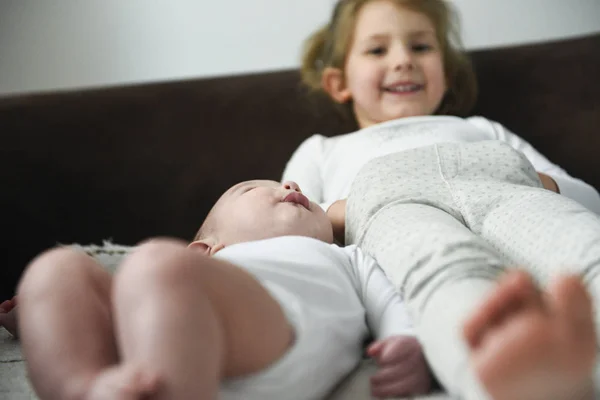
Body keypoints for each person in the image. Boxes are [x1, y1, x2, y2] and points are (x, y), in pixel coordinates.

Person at [282, 0, 600, 398]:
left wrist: (523, 178)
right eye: (377, 50)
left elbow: (587, 198)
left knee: (581, 242)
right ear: (339, 83)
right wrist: (345, 210)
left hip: (500, 184)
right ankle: (506, 380)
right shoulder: (323, 150)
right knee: (445, 275)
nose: (403, 61)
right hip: (392, 205)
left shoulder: (480, 128)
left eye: (421, 47)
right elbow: (283, 225)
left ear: (447, 75)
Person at [2, 180, 433, 400]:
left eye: (300, 190)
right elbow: (134, 304)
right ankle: (85, 385)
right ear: (208, 249)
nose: (292, 188)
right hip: (165, 348)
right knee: (56, 269)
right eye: (253, 188)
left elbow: (388, 298)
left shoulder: (347, 256)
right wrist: (53, 315)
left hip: (274, 333)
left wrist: (405, 339)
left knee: (153, 264)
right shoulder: (189, 273)